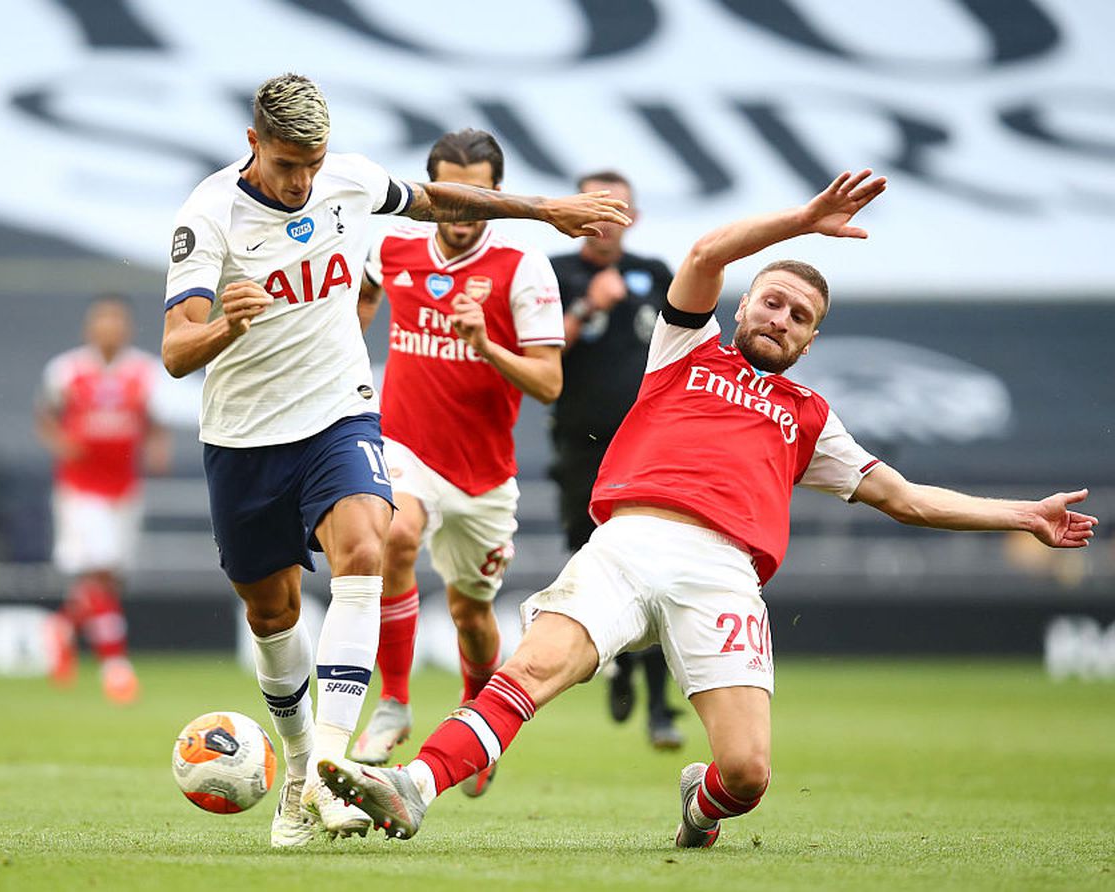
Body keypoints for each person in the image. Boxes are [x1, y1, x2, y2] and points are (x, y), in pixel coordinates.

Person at [315, 169, 1099, 845]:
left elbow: (905, 499)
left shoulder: (811, 418)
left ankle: (702, 805)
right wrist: (801, 223)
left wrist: (1021, 515)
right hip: (628, 542)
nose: (780, 318)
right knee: (533, 671)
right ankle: (414, 788)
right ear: (745, 304)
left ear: (810, 341)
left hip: (724, 575)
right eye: (771, 302)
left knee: (748, 774)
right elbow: (704, 255)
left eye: (798, 317)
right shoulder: (688, 347)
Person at [160, 73, 629, 848]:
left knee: (370, 547)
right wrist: (223, 329)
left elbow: (445, 201)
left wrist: (547, 211)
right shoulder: (209, 213)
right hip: (243, 437)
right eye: (286, 164)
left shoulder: (347, 180)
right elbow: (178, 351)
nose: (303, 180)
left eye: (312, 162)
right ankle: (305, 766)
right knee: (271, 613)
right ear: (252, 144)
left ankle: (332, 768)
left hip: (338, 414)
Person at [347, 130, 564, 798]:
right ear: (431, 188)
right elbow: (359, 302)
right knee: (396, 534)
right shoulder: (392, 244)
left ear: (498, 194)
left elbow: (549, 383)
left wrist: (485, 344)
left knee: (473, 615)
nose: (462, 210)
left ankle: (475, 715)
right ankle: (395, 701)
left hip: (484, 477)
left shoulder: (524, 268)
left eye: (477, 196)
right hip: (404, 445)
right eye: (449, 194)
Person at [548, 169, 682, 749]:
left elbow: (686, 344)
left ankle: (659, 705)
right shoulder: (554, 273)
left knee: (655, 561)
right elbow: (538, 354)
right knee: (593, 561)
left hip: (649, 447)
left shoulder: (655, 276)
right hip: (580, 448)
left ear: (635, 217)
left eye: (617, 209)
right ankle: (621, 668)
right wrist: (583, 306)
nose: (605, 221)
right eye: (593, 208)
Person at [36, 295, 171, 705]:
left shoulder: (143, 372)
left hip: (124, 487)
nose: (110, 328)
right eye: (102, 321)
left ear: (127, 328)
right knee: (96, 570)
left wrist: (157, 447)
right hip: (80, 488)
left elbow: (154, 421)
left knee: (111, 577)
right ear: (90, 328)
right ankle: (117, 668)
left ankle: (60, 626)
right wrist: (61, 442)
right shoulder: (67, 370)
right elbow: (45, 416)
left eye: (117, 321)